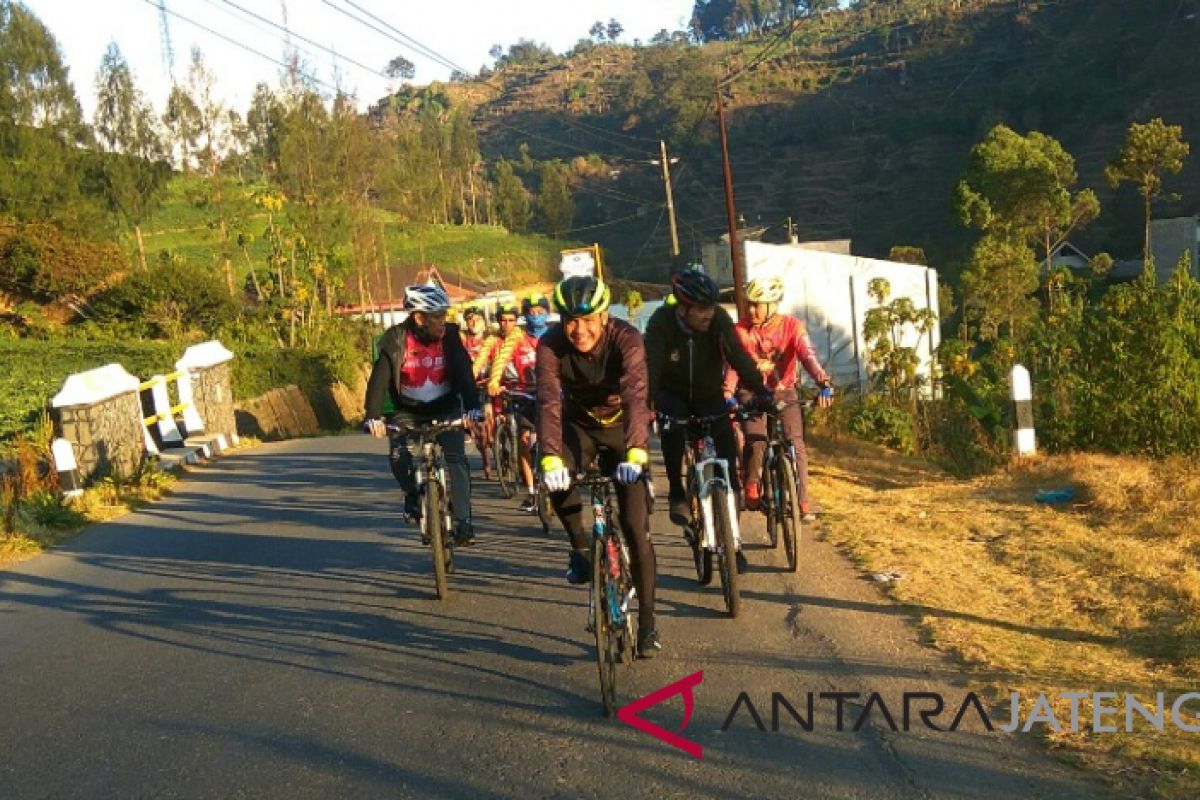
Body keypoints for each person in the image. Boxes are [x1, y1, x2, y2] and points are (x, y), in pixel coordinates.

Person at [536, 275, 660, 657]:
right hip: (579, 426)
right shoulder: (550, 345)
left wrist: (637, 451)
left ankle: (649, 623)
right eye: (571, 320)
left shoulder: (627, 340)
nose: (579, 329)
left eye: (589, 319)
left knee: (635, 529)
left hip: (624, 428)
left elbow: (637, 393)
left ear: (605, 316)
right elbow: (548, 402)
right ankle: (579, 546)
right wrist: (550, 455)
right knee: (555, 478)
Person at [644, 270, 771, 535]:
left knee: (728, 460)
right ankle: (677, 493)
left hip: (709, 395)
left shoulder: (719, 320)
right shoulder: (661, 322)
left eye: (711, 307)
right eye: (701, 309)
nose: (708, 314)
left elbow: (737, 355)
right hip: (673, 394)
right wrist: (648, 403)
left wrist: (762, 390)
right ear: (682, 308)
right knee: (673, 429)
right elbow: (651, 366)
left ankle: (732, 540)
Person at [364, 284, 483, 546]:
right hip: (407, 411)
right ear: (419, 318)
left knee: (456, 458)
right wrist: (373, 416)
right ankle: (411, 494)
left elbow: (464, 371)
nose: (444, 322)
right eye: (438, 316)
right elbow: (379, 379)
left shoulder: (450, 336)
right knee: (398, 455)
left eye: (444, 315)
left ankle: (463, 521)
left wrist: (473, 407)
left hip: (446, 407)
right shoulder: (394, 339)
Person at [724, 275, 834, 520]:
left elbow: (808, 356)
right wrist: (728, 393)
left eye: (757, 304)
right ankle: (752, 484)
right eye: (749, 303)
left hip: (784, 391)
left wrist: (823, 383)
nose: (751, 309)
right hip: (750, 392)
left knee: (795, 442)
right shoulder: (740, 331)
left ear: (772, 305)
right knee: (757, 439)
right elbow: (732, 366)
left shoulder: (792, 327)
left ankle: (803, 501)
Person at [487, 293, 549, 513]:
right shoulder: (516, 337)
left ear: (547, 313)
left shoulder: (555, 335)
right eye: (531, 313)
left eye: (540, 312)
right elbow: (501, 359)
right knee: (524, 441)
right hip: (525, 395)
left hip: (551, 397)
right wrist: (494, 381)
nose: (536, 317)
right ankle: (532, 492)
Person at [460, 304, 498, 478]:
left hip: (489, 384)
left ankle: (501, 445)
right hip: (471, 387)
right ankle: (486, 459)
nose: (473, 322)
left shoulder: (491, 340)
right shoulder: (462, 340)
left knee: (492, 420)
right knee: (480, 432)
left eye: (477, 319)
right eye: (469, 320)